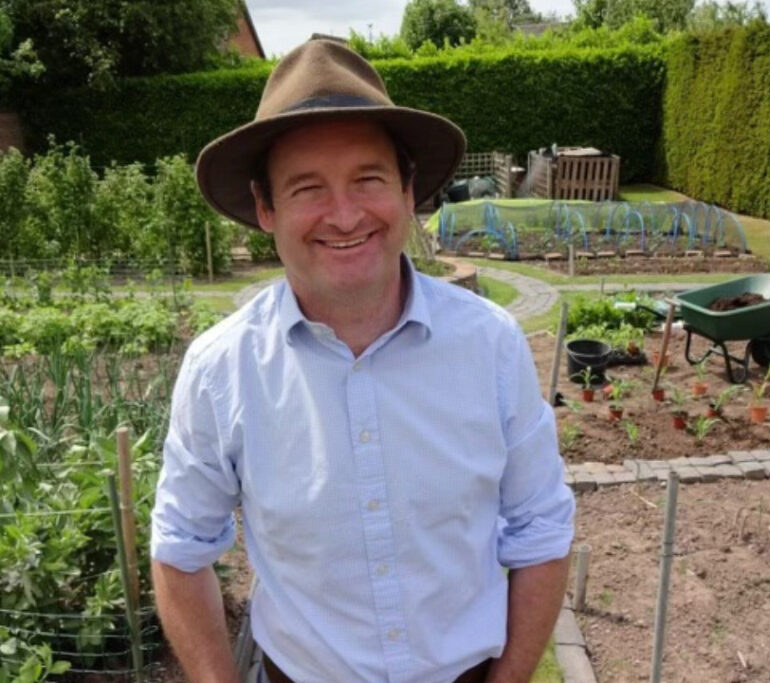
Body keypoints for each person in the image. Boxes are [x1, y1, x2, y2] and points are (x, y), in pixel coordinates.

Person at [150, 39, 576, 683]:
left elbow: (541, 528)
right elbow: (180, 551)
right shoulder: (221, 370)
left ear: (408, 192)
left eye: (368, 179)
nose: (345, 214)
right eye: (308, 188)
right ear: (266, 208)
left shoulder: (490, 344)